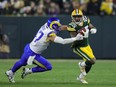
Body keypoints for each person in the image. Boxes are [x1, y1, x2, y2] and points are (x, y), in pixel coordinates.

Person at [5, 17, 85, 83]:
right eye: (57, 26)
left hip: (29, 47)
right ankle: (28, 71)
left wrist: (73, 28)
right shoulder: (49, 33)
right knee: (48, 66)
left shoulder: (47, 25)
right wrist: (75, 38)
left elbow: (61, 27)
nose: (59, 26)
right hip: (33, 54)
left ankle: (11, 72)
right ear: (53, 26)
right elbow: (62, 41)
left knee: (22, 62)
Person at [67, 9, 97, 84]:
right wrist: (78, 36)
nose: (77, 18)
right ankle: (81, 64)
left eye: (79, 16)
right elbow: (74, 38)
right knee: (92, 60)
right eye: (75, 16)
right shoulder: (71, 25)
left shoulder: (86, 20)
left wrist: (93, 29)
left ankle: (80, 77)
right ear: (72, 17)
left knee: (90, 64)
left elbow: (91, 26)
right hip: (78, 46)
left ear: (82, 16)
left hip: (86, 45)